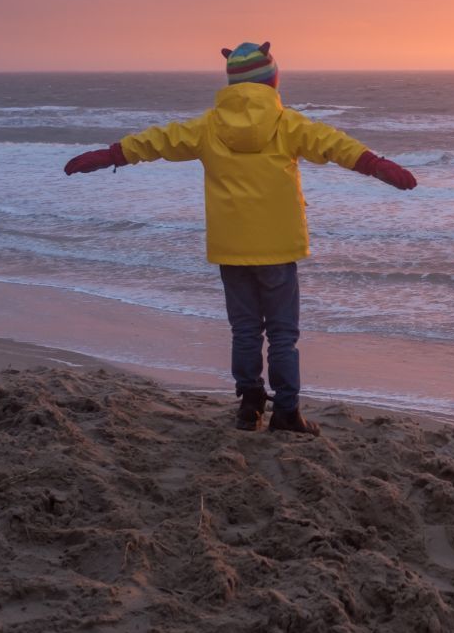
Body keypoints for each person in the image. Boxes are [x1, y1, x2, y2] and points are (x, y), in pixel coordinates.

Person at [63, 41, 416, 436]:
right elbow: (333, 144)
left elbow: (158, 140)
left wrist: (112, 155)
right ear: (272, 81)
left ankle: (249, 405)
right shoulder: (287, 124)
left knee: (245, 330)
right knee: (283, 333)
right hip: (279, 248)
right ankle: (286, 412)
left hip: (232, 249)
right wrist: (374, 164)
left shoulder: (208, 126)